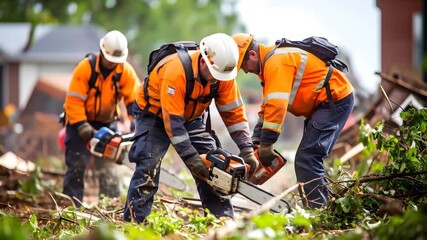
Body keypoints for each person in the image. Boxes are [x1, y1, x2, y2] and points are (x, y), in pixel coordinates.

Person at [124, 33, 259, 223]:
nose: (217, 80)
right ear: (204, 62)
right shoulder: (175, 71)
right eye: (215, 75)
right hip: (155, 114)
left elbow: (234, 113)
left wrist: (246, 148)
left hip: (191, 116)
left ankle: (221, 220)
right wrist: (192, 157)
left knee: (215, 165)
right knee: (149, 164)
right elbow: (173, 123)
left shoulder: (223, 74)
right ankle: (134, 222)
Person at [232, 33, 354, 208]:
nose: (245, 70)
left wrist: (266, 145)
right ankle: (320, 206)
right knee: (308, 158)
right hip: (322, 105)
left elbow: (277, 106)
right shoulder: (269, 65)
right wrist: (255, 142)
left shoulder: (276, 62)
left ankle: (318, 211)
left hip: (334, 99)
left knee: (308, 157)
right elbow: (267, 108)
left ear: (252, 55)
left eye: (243, 65)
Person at [63, 30, 138, 205]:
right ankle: (71, 206)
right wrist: (82, 126)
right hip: (79, 121)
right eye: (110, 60)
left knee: (108, 168)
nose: (112, 64)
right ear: (102, 52)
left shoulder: (125, 71)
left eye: (116, 61)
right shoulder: (85, 68)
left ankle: (109, 205)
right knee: (76, 165)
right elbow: (73, 100)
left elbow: (134, 100)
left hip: (107, 123)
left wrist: (136, 121)